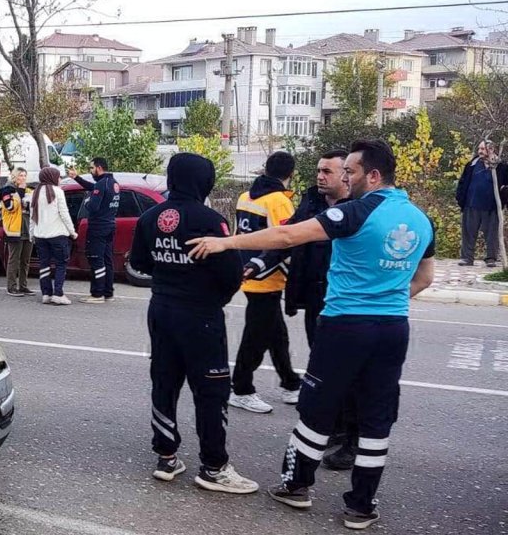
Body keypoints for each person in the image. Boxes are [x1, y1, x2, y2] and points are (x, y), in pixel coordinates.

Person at [187, 139, 436, 531]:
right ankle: (361, 506)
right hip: (393, 328)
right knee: (376, 416)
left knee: (317, 406)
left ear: (373, 175)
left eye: (350, 172)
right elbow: (425, 277)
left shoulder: (357, 211)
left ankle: (296, 486)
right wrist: (385, 298)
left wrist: (227, 242)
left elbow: (287, 237)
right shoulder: (421, 219)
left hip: (345, 326)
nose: (345, 178)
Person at [128, 153, 258, 495]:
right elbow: (232, 274)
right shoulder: (211, 221)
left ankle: (166, 456)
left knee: (164, 380)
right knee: (212, 390)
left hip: (161, 310)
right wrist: (211, 296)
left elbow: (139, 262)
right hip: (200, 316)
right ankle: (214, 467)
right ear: (205, 181)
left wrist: (169, 271)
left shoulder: (150, 217)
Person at [250, 149, 357, 469]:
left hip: (348, 305)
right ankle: (335, 427)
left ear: (346, 176)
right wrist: (258, 261)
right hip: (315, 300)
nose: (320, 176)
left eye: (328, 171)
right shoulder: (310, 202)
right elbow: (287, 237)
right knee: (323, 367)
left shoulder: (361, 208)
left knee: (348, 372)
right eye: (319, 170)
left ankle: (352, 439)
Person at [229, 151, 302, 414]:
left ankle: (291, 382)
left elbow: (241, 234)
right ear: (290, 174)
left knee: (276, 334)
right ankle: (240, 388)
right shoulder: (279, 202)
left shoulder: (245, 196)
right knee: (256, 337)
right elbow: (286, 241)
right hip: (267, 276)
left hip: (248, 272)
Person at [455, 140, 507, 267]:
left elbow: (506, 186)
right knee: (468, 232)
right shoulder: (472, 165)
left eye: (482, 149)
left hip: (492, 206)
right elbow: (462, 183)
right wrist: (461, 198)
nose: (479, 152)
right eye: (479, 149)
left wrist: (504, 198)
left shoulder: (501, 167)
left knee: (492, 234)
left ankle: (491, 258)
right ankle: (467, 258)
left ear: (491, 149)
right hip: (471, 204)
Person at [31, 166, 77, 306]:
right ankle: (58, 294)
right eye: (58, 176)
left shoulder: (36, 192)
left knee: (44, 265)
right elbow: (64, 214)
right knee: (61, 264)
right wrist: (72, 232)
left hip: (40, 235)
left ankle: (46, 293)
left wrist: (31, 233)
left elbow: (32, 216)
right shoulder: (58, 192)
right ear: (52, 177)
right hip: (57, 234)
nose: (60, 179)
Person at [82, 157, 119, 303]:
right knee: (107, 260)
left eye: (91, 168)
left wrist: (86, 200)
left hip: (98, 227)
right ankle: (108, 293)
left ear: (98, 168)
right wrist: (76, 178)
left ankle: (97, 294)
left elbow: (93, 207)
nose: (90, 171)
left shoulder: (101, 184)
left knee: (96, 260)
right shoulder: (113, 183)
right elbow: (93, 187)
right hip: (110, 225)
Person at [0, 167, 33, 296]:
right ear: (14, 177)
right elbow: (10, 207)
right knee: (14, 259)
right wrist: (20, 192)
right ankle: (11, 286)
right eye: (20, 175)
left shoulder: (29, 190)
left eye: (25, 175)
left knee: (25, 260)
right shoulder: (6, 191)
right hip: (14, 229)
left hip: (27, 228)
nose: (23, 178)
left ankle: (23, 286)